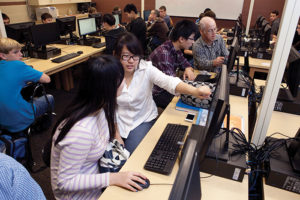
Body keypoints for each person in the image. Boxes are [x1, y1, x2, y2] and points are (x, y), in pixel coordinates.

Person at [50, 55, 148, 199]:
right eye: (121, 79)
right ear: (108, 87)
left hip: (98, 179)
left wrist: (117, 136)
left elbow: (111, 122)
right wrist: (114, 178)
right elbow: (65, 182)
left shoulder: (101, 105)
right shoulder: (81, 131)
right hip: (82, 195)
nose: (125, 82)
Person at [115, 32, 211, 154]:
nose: (131, 61)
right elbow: (109, 107)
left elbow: (169, 82)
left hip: (142, 119)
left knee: (132, 153)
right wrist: (116, 133)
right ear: (117, 56)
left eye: (135, 56)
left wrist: (195, 91)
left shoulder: (146, 69)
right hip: (118, 122)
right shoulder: (111, 73)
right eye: (125, 56)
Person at [0, 37, 53, 133]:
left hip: (2, 122)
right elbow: (47, 79)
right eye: (15, 52)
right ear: (3, 55)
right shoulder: (18, 65)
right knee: (49, 98)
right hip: (18, 121)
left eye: (21, 51)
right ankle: (40, 127)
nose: (21, 54)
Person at [149, 20, 197, 109]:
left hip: (167, 86)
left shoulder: (174, 48)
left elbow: (185, 63)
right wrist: (195, 91)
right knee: (186, 104)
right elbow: (171, 85)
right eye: (192, 38)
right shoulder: (164, 54)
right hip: (157, 93)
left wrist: (187, 68)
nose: (193, 42)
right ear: (181, 39)